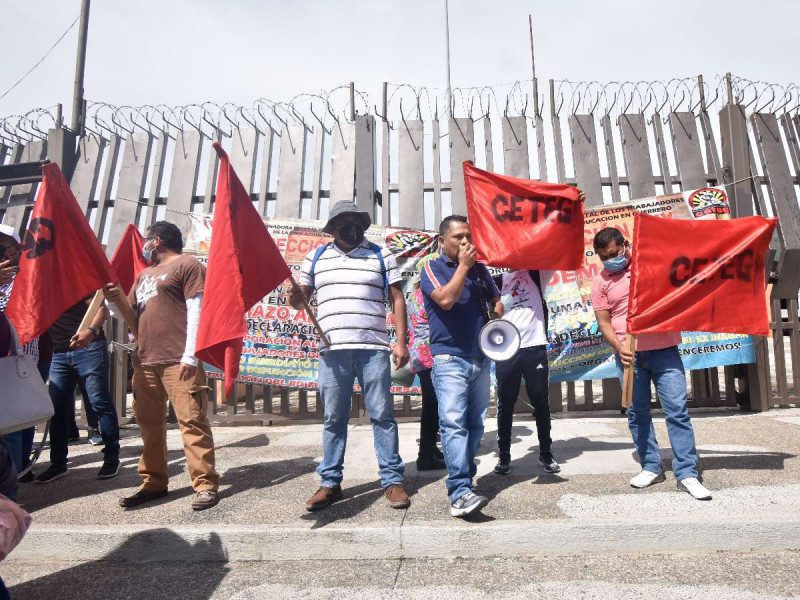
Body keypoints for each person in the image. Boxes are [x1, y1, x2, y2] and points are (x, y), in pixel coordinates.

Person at [290, 200, 410, 512]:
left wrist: (401, 342)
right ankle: (330, 483)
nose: (351, 226)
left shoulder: (381, 254)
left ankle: (392, 480)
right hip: (333, 351)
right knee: (333, 418)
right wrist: (295, 297)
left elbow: (398, 299)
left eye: (355, 220)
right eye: (343, 221)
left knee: (382, 415)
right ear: (332, 228)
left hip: (374, 349)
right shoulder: (316, 256)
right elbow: (300, 300)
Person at [105, 221, 219, 511]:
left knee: (192, 422)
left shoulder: (187, 265)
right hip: (145, 360)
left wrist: (190, 356)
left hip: (178, 360)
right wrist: (112, 300)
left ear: (157, 241)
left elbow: (197, 310)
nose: (144, 244)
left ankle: (205, 485)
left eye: (147, 239)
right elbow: (126, 314)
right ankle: (153, 483)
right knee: (149, 425)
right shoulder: (144, 274)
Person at [590, 227, 711, 500]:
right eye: (603, 257)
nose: (610, 260)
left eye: (614, 253)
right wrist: (619, 347)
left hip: (664, 351)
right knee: (637, 413)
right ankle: (650, 466)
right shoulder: (600, 282)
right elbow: (604, 322)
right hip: (629, 357)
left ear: (625, 245)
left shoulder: (650, 265)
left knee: (677, 412)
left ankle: (687, 473)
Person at [420, 215, 503, 517]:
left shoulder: (480, 269)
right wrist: (464, 267)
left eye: (468, 236)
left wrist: (496, 311)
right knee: (453, 424)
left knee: (475, 424)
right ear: (443, 241)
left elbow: (496, 300)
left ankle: (465, 480)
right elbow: (445, 300)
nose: (465, 241)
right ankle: (459, 491)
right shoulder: (432, 268)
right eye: (458, 237)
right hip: (449, 358)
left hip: (480, 356)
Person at [33, 296, 121, 483]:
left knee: (99, 403)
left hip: (90, 348)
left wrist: (91, 331)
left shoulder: (73, 280)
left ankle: (112, 458)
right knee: (57, 409)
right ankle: (58, 464)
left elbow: (101, 308)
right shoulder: (41, 286)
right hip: (59, 353)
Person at [492, 269, 559, 476]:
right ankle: (504, 455)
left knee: (541, 402)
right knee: (505, 403)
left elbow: (553, 257)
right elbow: (490, 313)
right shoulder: (496, 281)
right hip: (506, 348)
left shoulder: (536, 273)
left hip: (534, 346)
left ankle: (546, 454)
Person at [0, 224, 39, 482]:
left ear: (15, 250)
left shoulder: (26, 279)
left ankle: (11, 486)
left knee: (14, 425)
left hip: (16, 362)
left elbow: (21, 316)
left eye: (1, 247)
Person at [406, 257, 446, 471]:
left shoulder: (414, 293)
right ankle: (425, 456)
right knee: (433, 405)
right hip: (429, 354)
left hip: (419, 354)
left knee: (432, 404)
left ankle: (430, 448)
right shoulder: (429, 294)